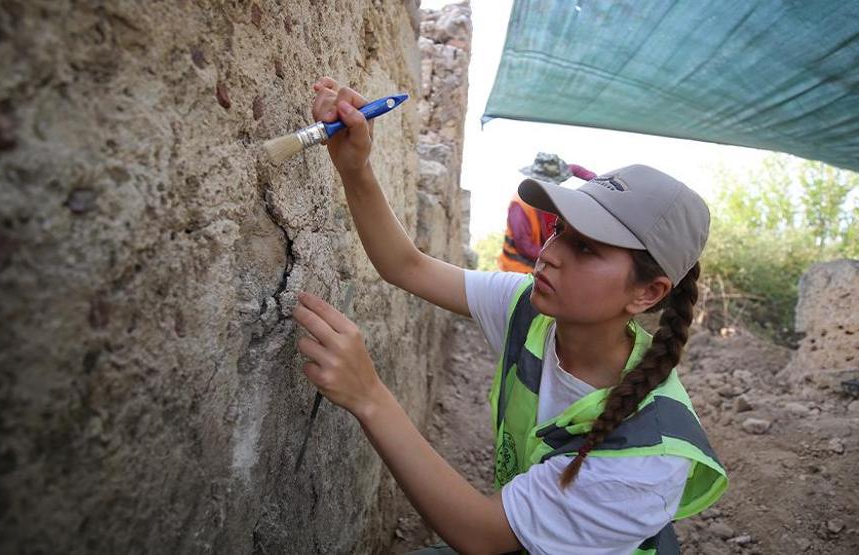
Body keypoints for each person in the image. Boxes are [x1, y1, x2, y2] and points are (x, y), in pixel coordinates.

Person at [292, 77, 727, 555]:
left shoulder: (647, 460)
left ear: (648, 293)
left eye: (586, 248)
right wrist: (355, 169)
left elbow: (482, 535)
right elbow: (406, 266)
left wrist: (369, 395)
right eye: (559, 231)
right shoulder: (532, 309)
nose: (549, 254)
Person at [499, 164, 597, 274]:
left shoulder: (548, 202)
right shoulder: (519, 206)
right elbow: (524, 246)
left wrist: (599, 184)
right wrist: (559, 257)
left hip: (539, 265)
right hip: (517, 268)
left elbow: (575, 169)